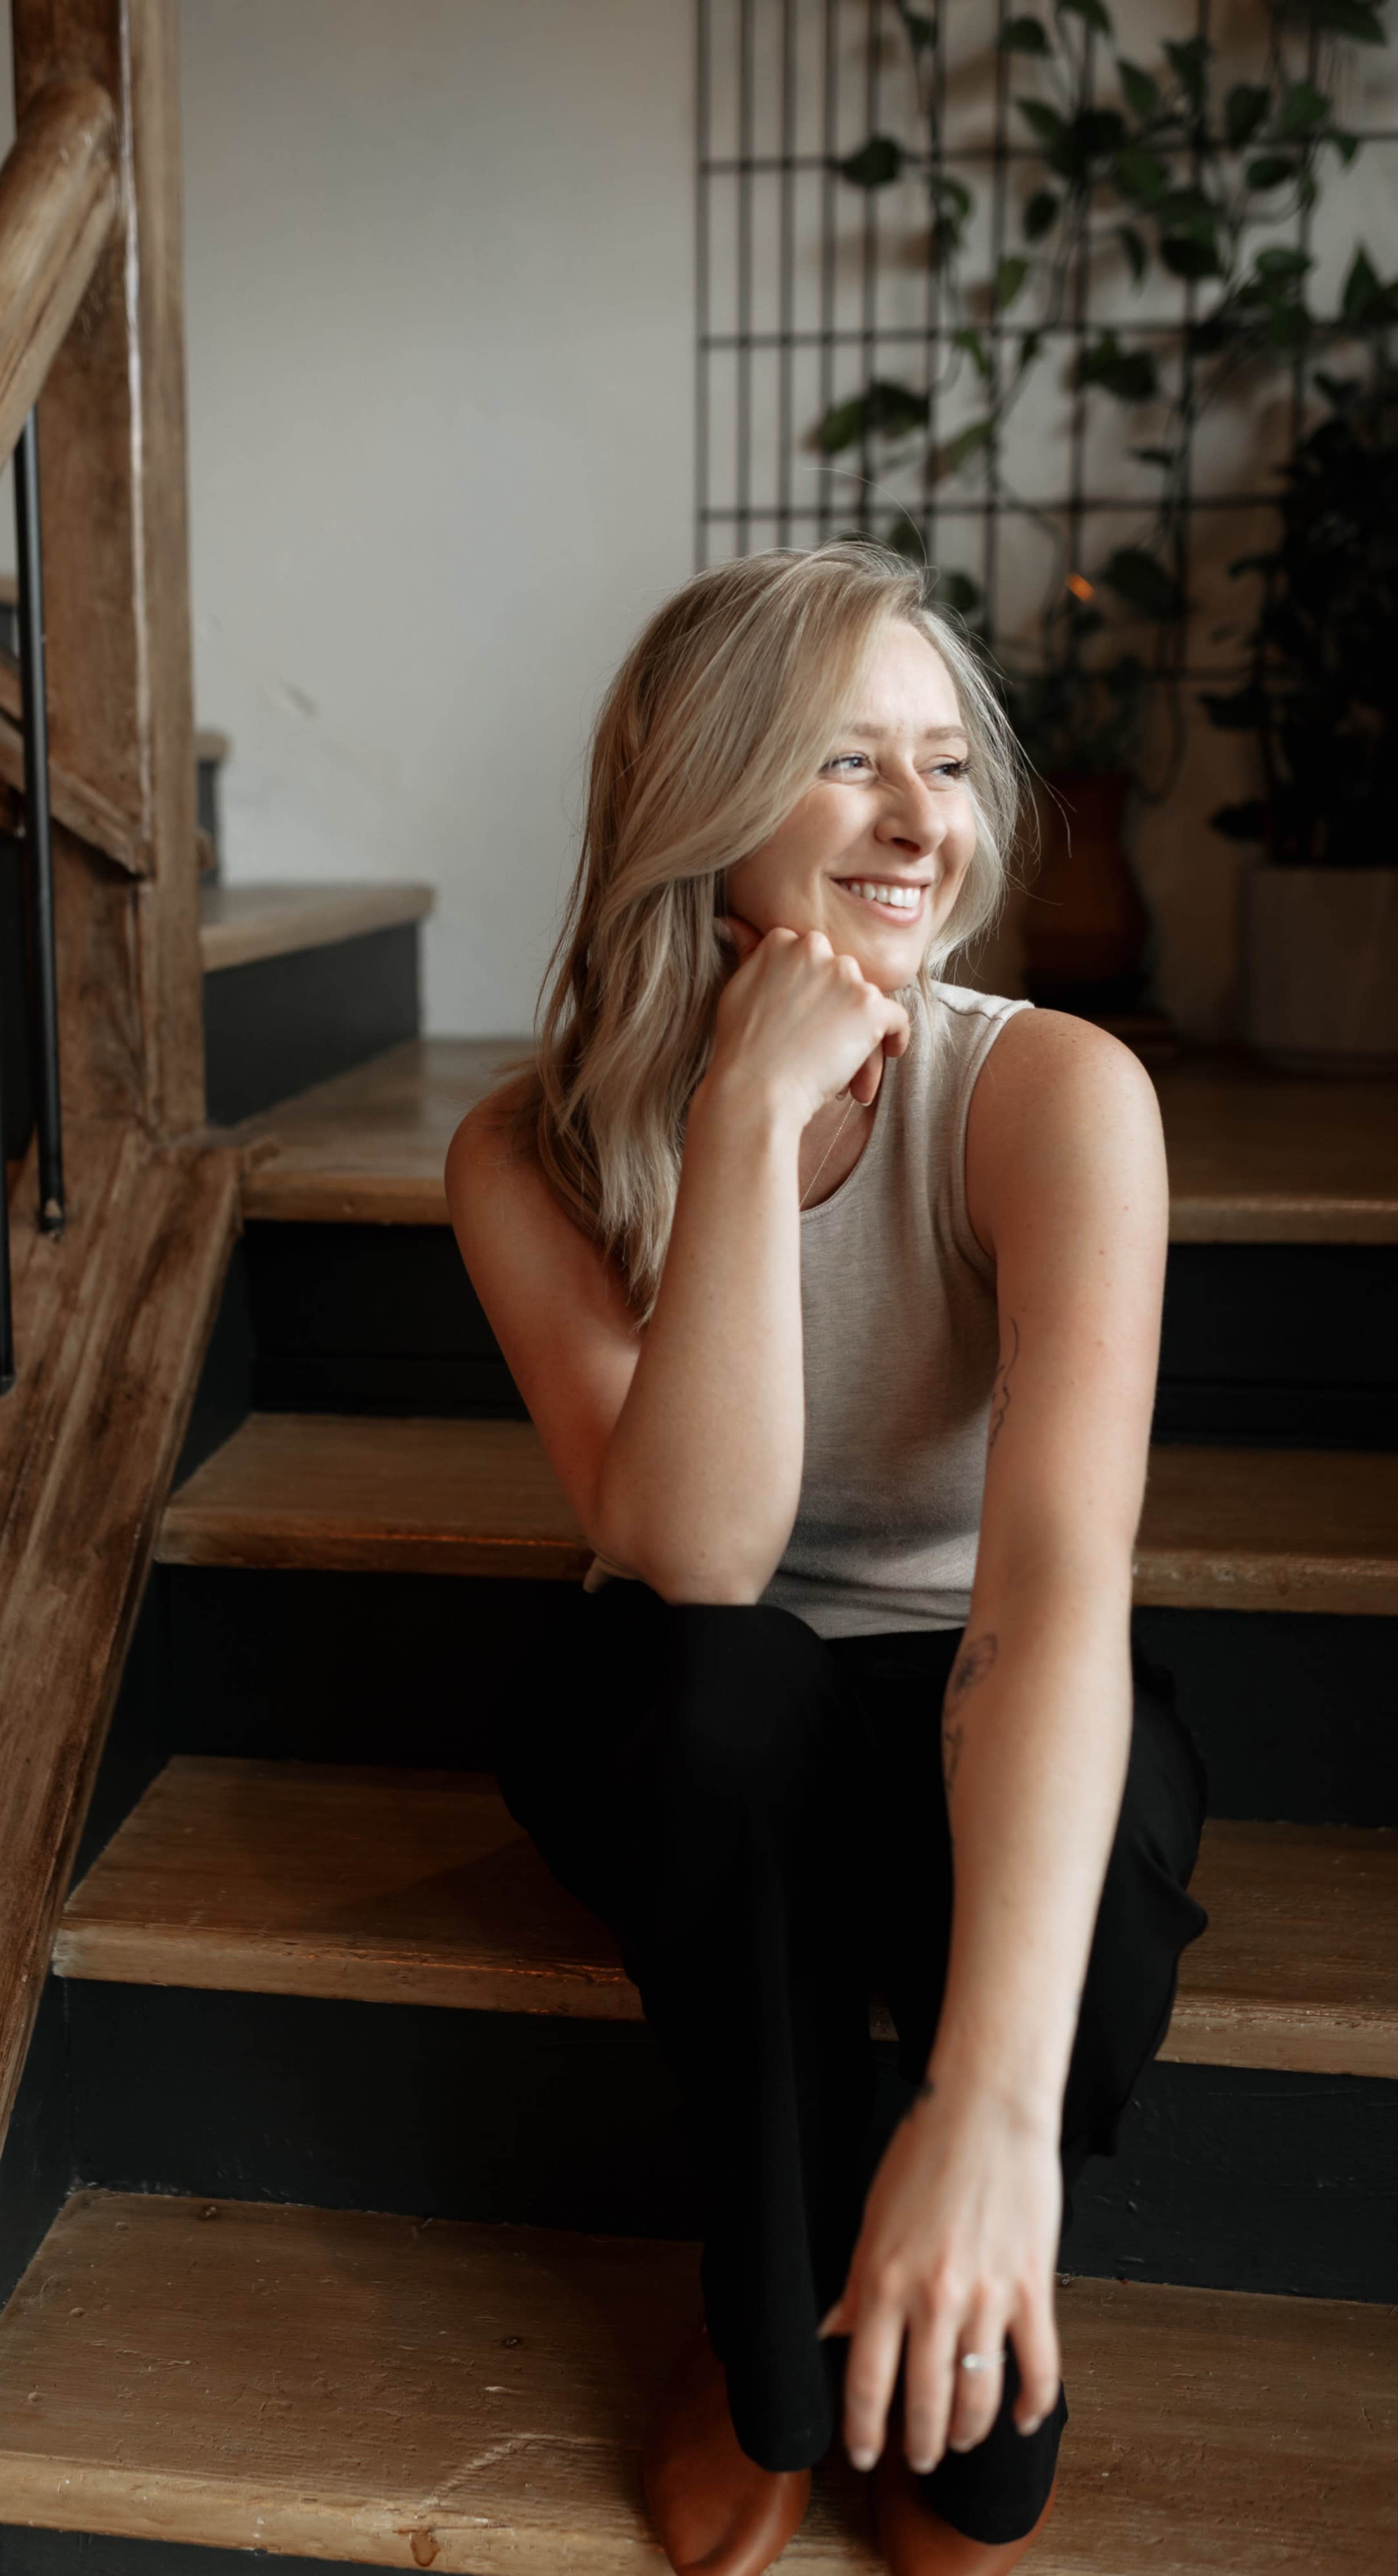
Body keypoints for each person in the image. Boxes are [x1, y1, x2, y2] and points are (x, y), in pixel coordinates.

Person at [445, 543, 1207, 2576]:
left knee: (1105, 1796)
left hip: (982, 1676)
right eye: (847, 762)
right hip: (709, 1710)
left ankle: (960, 2259)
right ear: (702, 803)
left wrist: (989, 2116)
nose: (920, 823)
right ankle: (764, 2328)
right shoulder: (527, 1153)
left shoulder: (1050, 1094)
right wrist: (739, 1122)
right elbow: (696, 1554)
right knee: (717, 1686)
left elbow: (1055, 1596)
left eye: (946, 767)